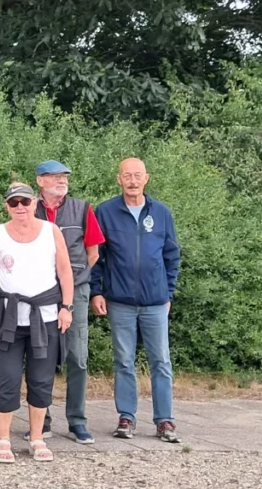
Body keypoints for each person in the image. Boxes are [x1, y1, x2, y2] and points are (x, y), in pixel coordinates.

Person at [0, 182, 74, 463]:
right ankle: (3, 438)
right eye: (13, 203)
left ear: (35, 203)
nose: (20, 207)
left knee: (41, 380)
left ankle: (37, 437)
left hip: (44, 317)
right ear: (6, 206)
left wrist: (67, 307)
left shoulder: (50, 231)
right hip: (9, 317)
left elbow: (65, 272)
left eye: (25, 201)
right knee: (7, 379)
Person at [91, 158, 181, 443]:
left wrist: (168, 293)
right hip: (120, 301)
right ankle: (126, 417)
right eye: (127, 175)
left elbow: (172, 256)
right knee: (124, 361)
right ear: (119, 179)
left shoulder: (162, 212)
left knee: (161, 362)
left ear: (147, 178)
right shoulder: (105, 211)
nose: (132, 180)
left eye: (137, 175)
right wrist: (96, 291)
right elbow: (96, 258)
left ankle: (164, 420)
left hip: (155, 301)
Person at [33, 160, 106, 444]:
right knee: (42, 355)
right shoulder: (28, 207)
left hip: (75, 290)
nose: (61, 180)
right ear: (40, 181)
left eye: (64, 176)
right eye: (54, 176)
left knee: (77, 355)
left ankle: (77, 421)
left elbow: (93, 253)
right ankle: (43, 421)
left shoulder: (82, 208)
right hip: (39, 292)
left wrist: (71, 280)